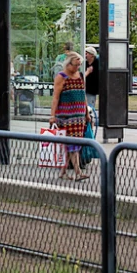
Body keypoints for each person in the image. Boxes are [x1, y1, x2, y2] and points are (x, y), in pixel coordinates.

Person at [51, 51, 94, 181]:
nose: (77, 68)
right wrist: (52, 115)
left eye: (79, 65)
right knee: (73, 144)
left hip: (79, 115)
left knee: (73, 143)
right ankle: (78, 172)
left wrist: (87, 113)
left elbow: (83, 95)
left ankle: (63, 172)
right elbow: (56, 97)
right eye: (75, 65)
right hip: (66, 116)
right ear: (68, 64)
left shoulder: (80, 75)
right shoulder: (61, 76)